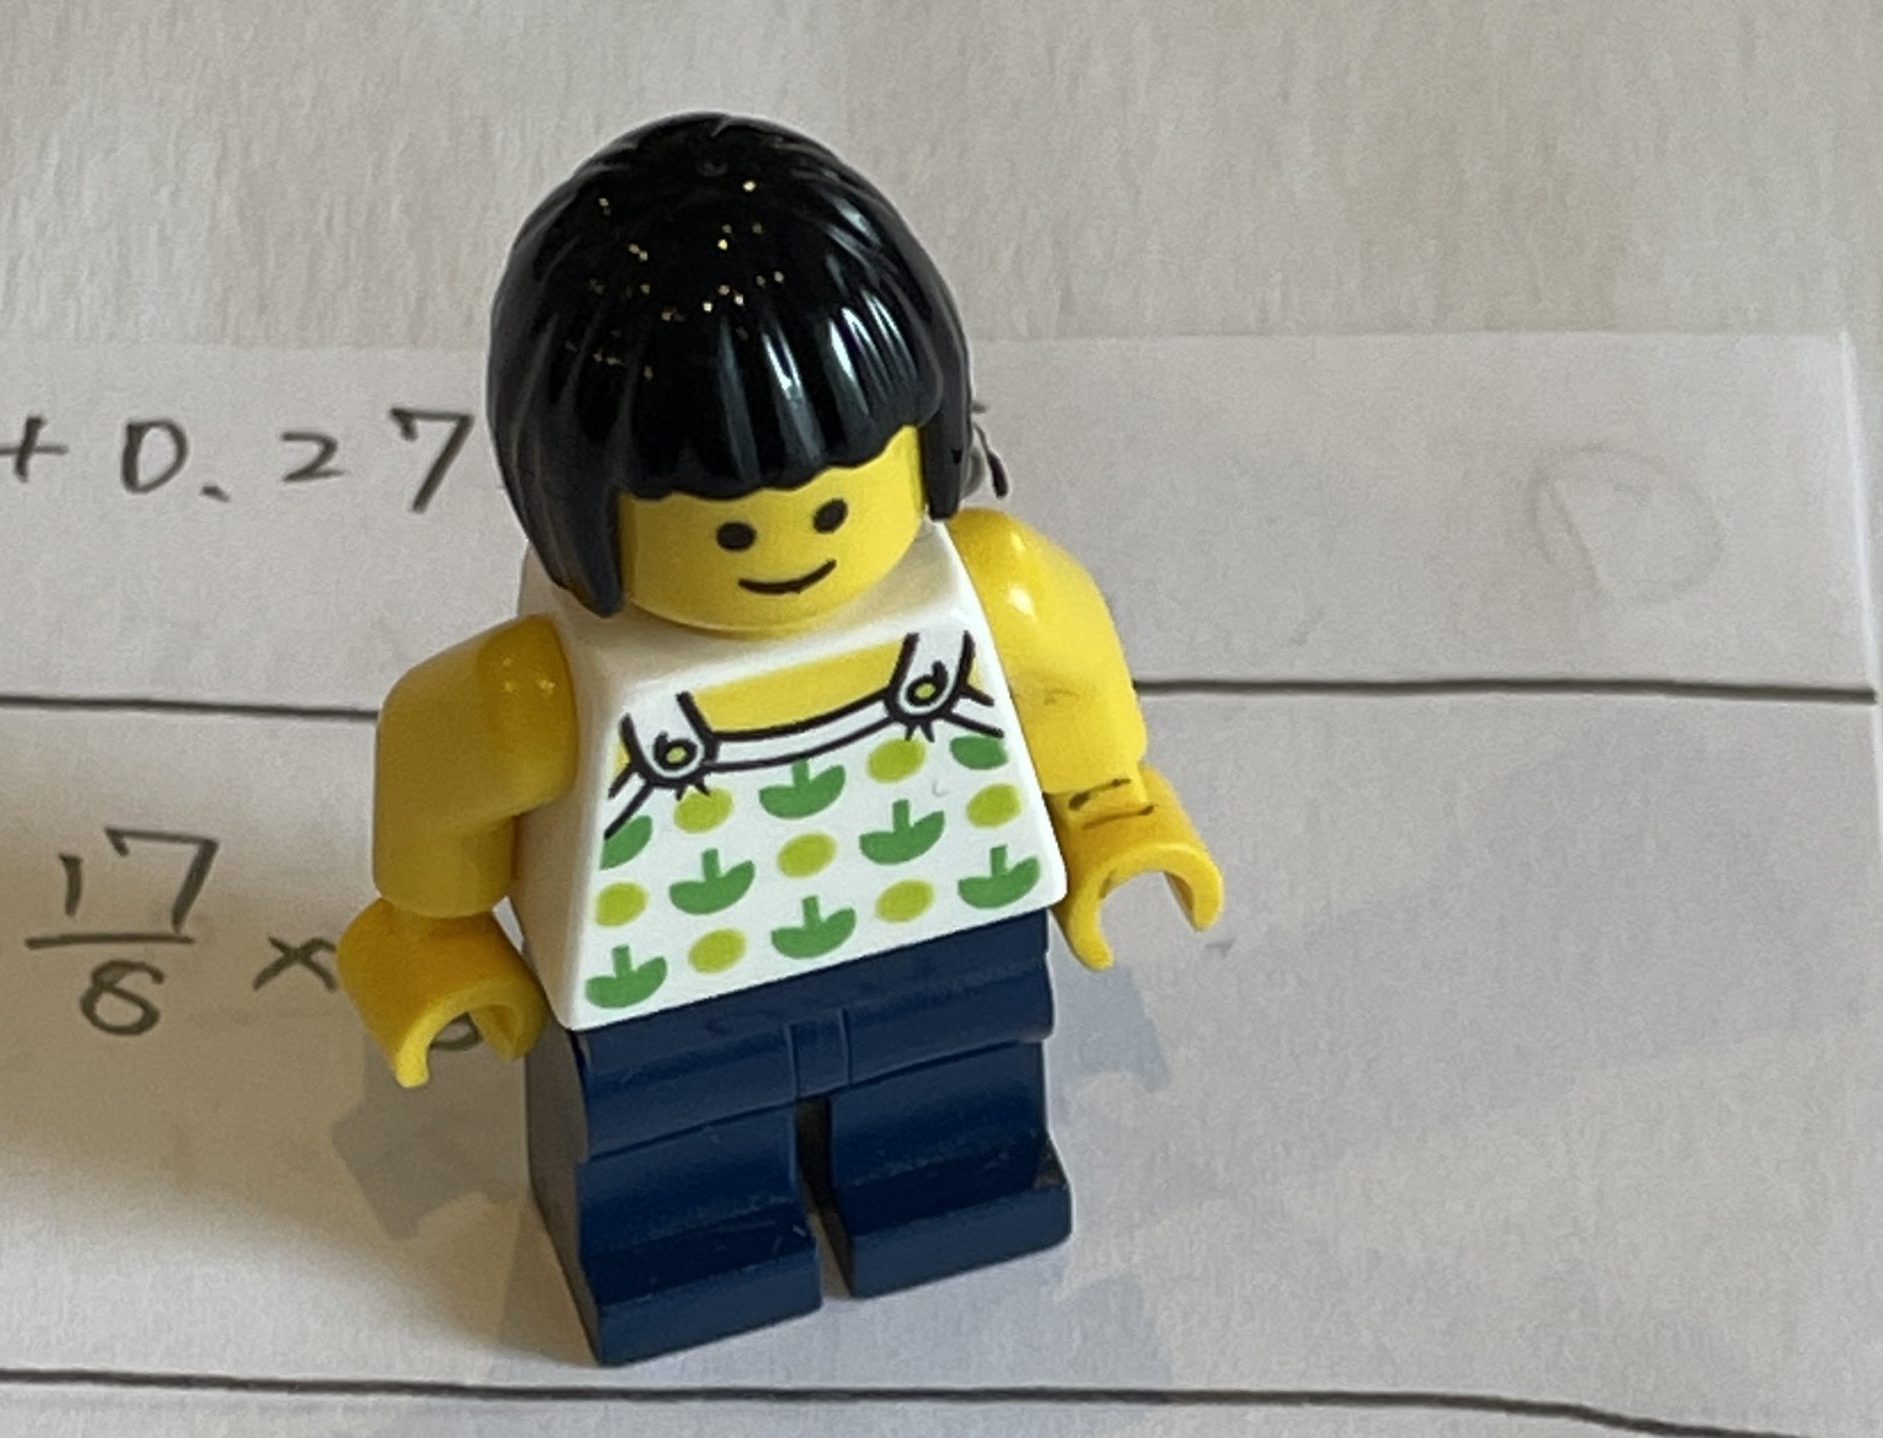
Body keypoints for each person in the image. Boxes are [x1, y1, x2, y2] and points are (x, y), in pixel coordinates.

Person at [339, 113, 1222, 1363]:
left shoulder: (993, 592)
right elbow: (437, 773)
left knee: (951, 1099)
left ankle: (947, 1177)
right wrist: (434, 936)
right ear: (579, 504)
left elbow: (1072, 694)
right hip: (663, 989)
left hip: (943, 928)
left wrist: (1110, 815)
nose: (791, 548)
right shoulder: (543, 687)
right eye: (731, 527)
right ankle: (683, 1238)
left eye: (831, 498)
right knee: (670, 1157)